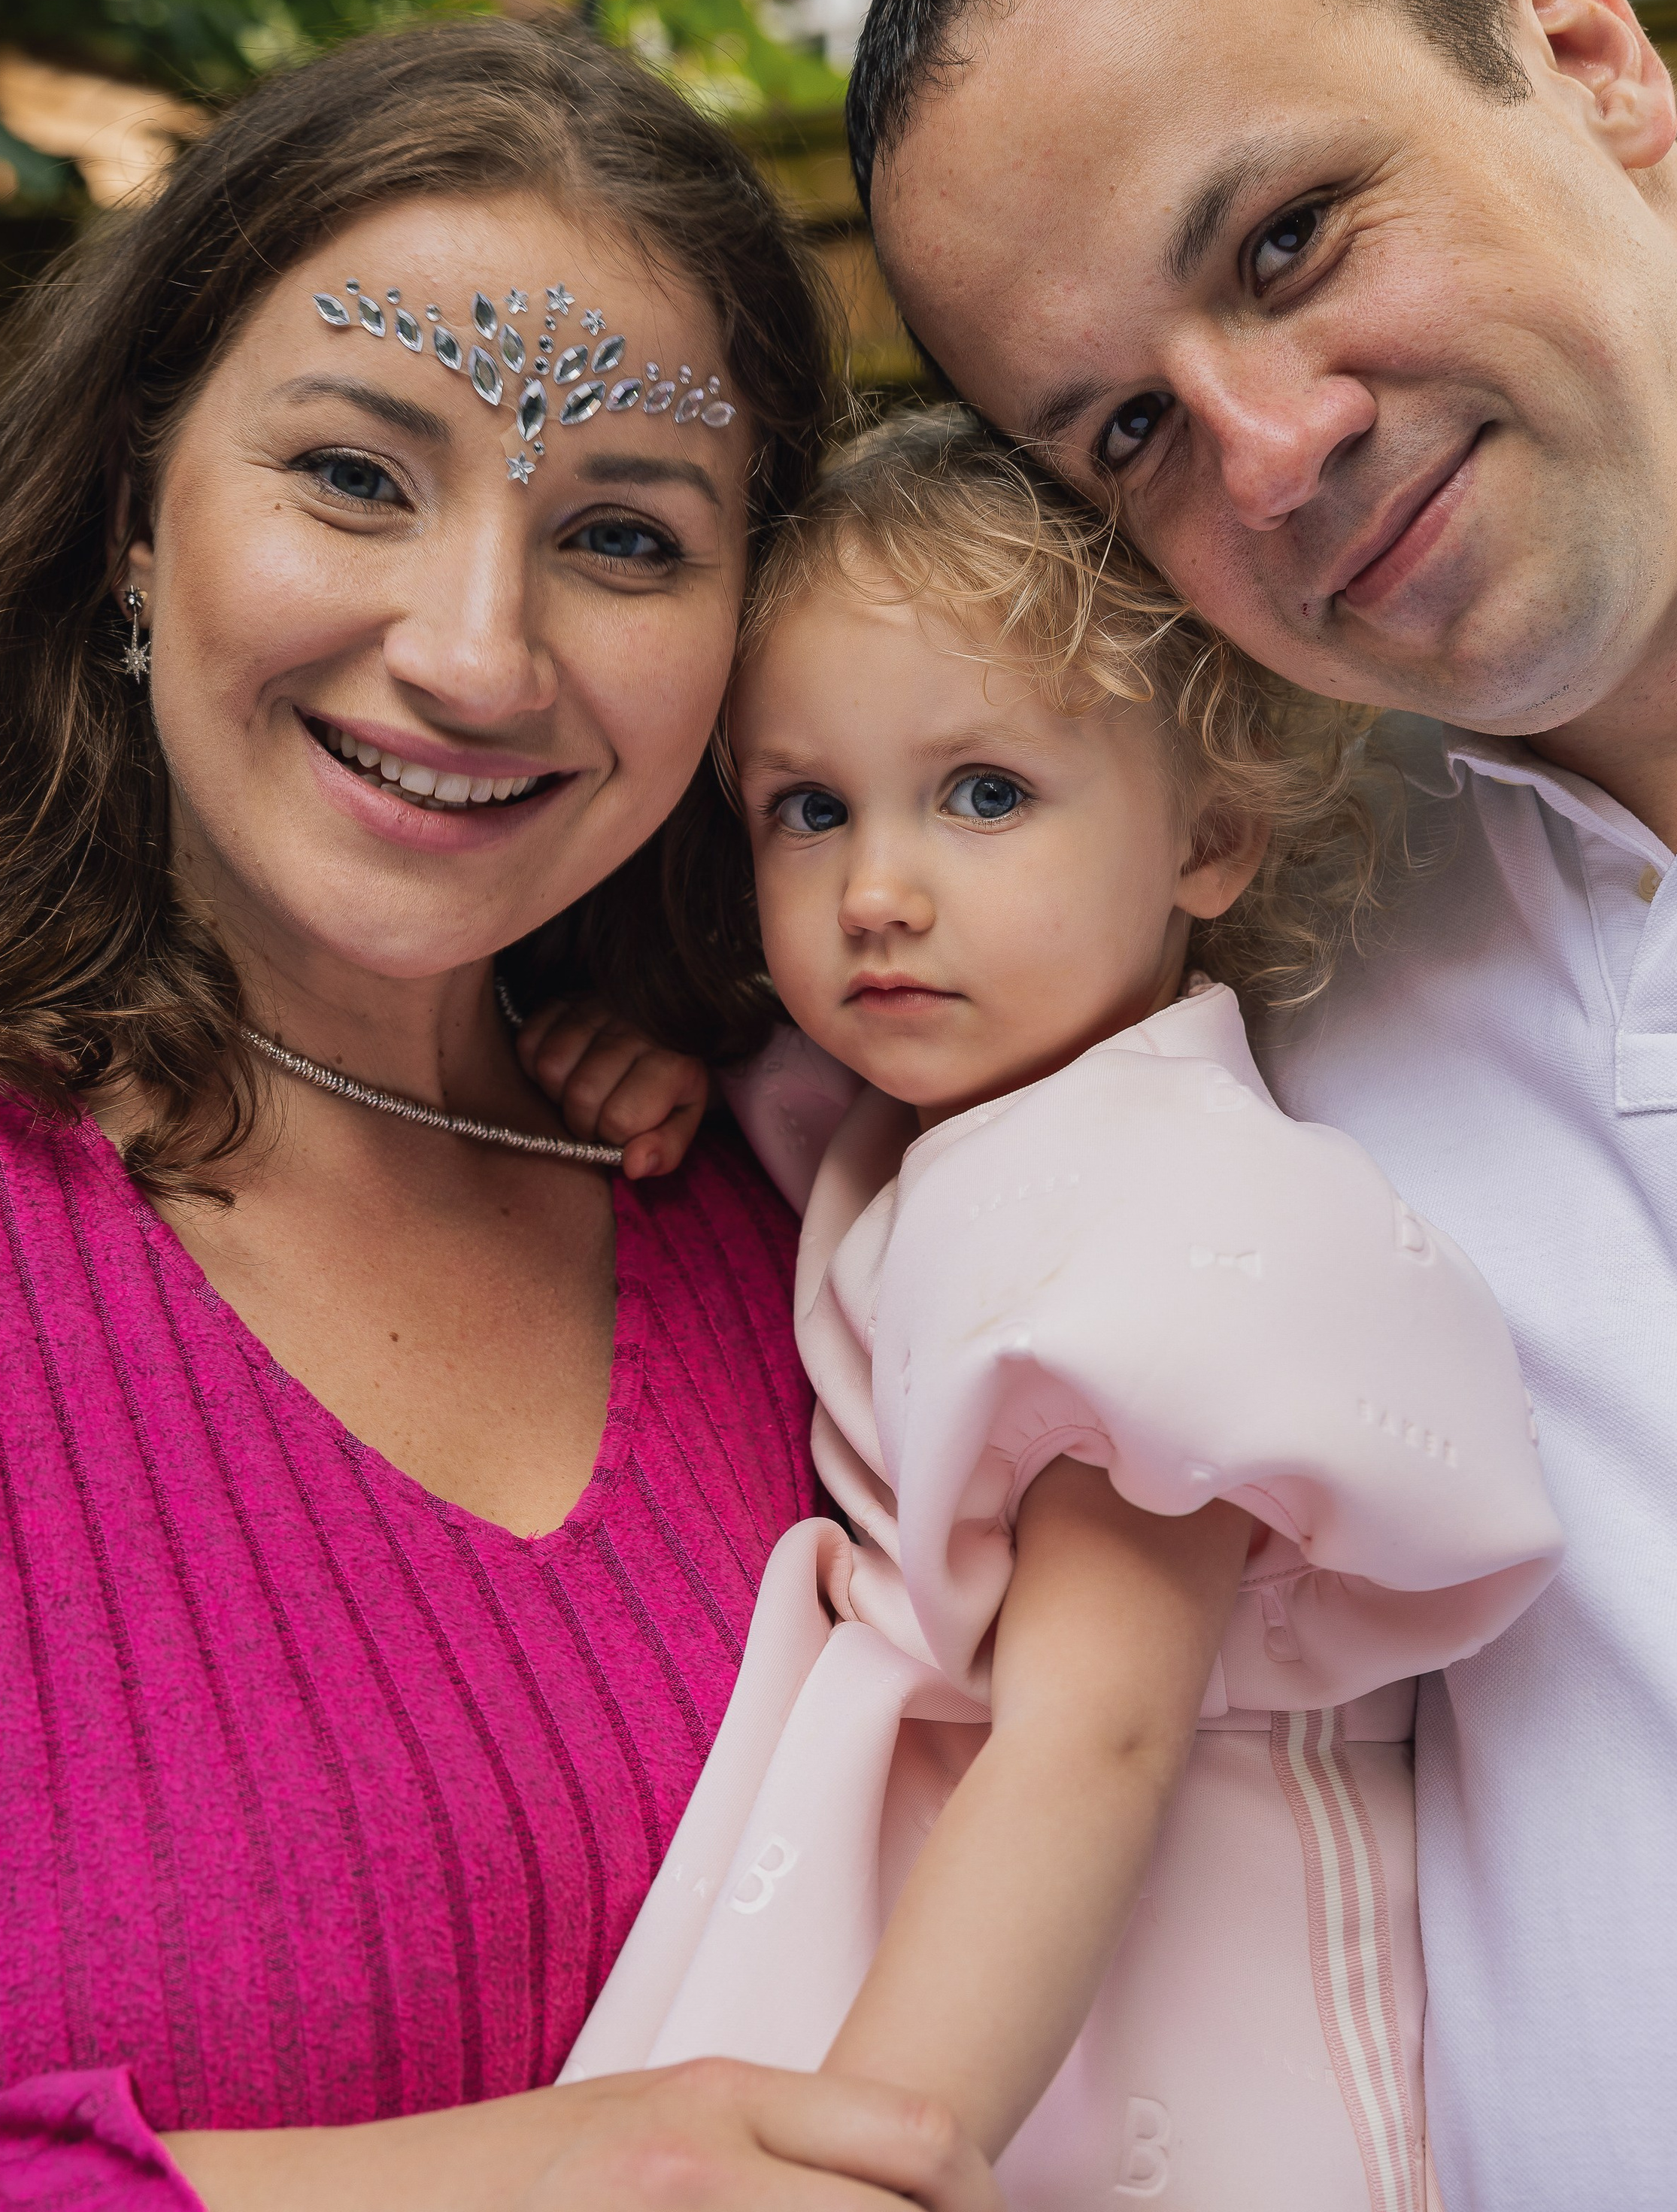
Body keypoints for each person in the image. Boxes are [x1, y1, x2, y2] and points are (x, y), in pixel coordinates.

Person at [840, 0, 1677, 2210]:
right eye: (1129, 433)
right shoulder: (1227, 923)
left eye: (1290, 238)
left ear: (1591, 53)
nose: (1269, 453)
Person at [0, 16, 995, 2212]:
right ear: (136, 509)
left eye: (620, 534)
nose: (477, 657)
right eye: (350, 478)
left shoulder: (825, 1211)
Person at [558, 410, 1561, 2210]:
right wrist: (648, 1073)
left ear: (1210, 837)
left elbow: (1092, 1732)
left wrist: (867, 2154)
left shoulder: (1163, 1209)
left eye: (984, 795)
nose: (875, 891)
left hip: (1130, 2002)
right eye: (808, 808)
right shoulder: (945, 1119)